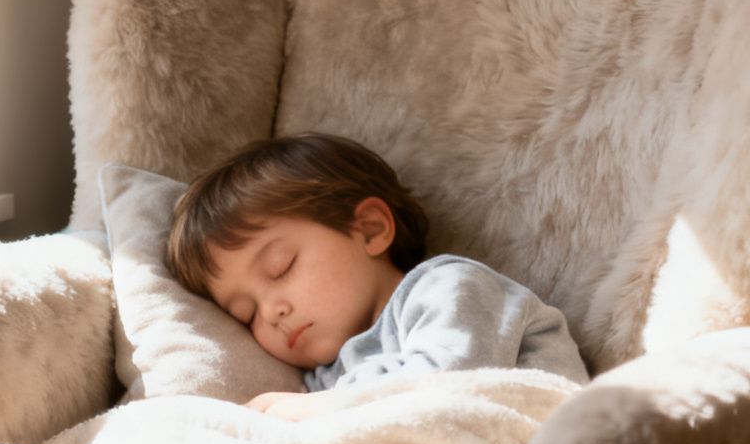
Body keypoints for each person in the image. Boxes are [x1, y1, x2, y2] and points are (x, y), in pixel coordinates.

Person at [166, 132, 589, 422]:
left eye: (281, 267)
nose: (272, 311)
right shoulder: (320, 380)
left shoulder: (449, 285)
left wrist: (320, 410)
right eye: (246, 314)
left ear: (369, 229)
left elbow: (452, 378)